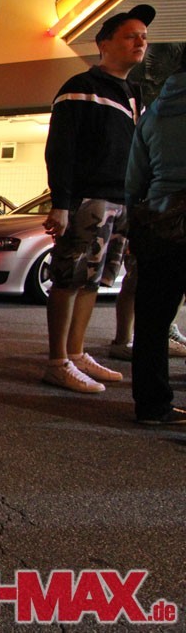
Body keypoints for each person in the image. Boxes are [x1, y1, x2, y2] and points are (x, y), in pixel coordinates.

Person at [41, 4, 154, 393]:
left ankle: (76, 352)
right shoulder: (80, 87)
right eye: (130, 35)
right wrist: (61, 203)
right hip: (87, 198)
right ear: (104, 44)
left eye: (144, 37)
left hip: (121, 199)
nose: (140, 42)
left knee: (92, 280)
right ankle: (57, 361)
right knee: (69, 277)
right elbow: (61, 149)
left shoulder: (133, 94)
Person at [124, 46, 186, 425]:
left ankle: (152, 405)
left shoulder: (153, 115)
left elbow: (134, 181)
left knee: (152, 323)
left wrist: (134, 224)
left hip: (162, 226)